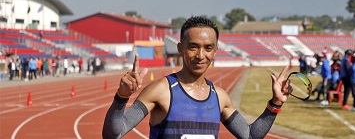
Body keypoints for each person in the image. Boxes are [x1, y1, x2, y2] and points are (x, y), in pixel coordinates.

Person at [102, 16, 293, 139]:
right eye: (193, 47)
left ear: (216, 51)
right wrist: (122, 97)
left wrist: (275, 103)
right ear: (180, 49)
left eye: (208, 48)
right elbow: (113, 134)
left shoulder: (219, 97)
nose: (201, 55)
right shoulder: (161, 91)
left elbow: (250, 136)